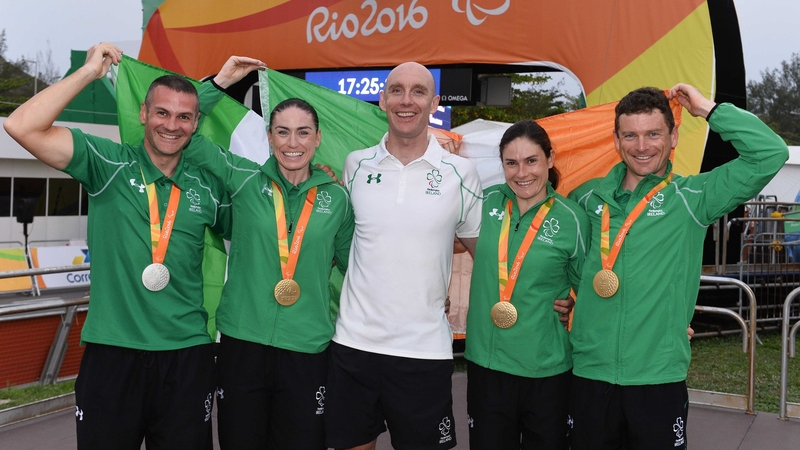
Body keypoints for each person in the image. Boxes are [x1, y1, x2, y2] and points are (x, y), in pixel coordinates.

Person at [3, 43, 232, 449]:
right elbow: (22, 126)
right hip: (112, 356)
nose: (171, 125)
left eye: (184, 117)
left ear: (196, 124)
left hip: (187, 357)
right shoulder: (106, 163)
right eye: (161, 112)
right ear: (142, 114)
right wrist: (90, 72)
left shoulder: (208, 187)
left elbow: (268, 224)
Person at [566, 84, 789, 449]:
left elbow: (769, 154)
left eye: (653, 134)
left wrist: (708, 109)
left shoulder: (693, 198)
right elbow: (570, 263)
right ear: (616, 140)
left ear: (673, 137)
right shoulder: (586, 199)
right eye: (631, 135)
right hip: (590, 373)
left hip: (657, 377)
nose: (642, 146)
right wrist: (569, 299)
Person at [187, 56, 354, 449]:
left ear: (317, 138)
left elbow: (356, 269)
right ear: (269, 136)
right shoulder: (243, 178)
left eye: (302, 133)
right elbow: (185, 136)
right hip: (242, 343)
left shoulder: (338, 199)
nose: (292, 143)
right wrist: (221, 81)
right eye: (282, 132)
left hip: (308, 348)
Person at [323, 62, 483, 450]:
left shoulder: (462, 173)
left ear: (434, 102)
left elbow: (490, 259)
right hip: (353, 345)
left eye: (417, 91)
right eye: (396, 90)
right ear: (382, 100)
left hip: (423, 350)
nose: (406, 100)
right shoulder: (355, 164)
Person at [464, 120, 589, 449]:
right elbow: (432, 232)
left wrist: (574, 300)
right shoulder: (483, 203)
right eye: (511, 163)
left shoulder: (572, 219)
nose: (522, 173)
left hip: (546, 370)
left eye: (531, 160)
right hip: (487, 365)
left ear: (549, 159)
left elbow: (590, 289)